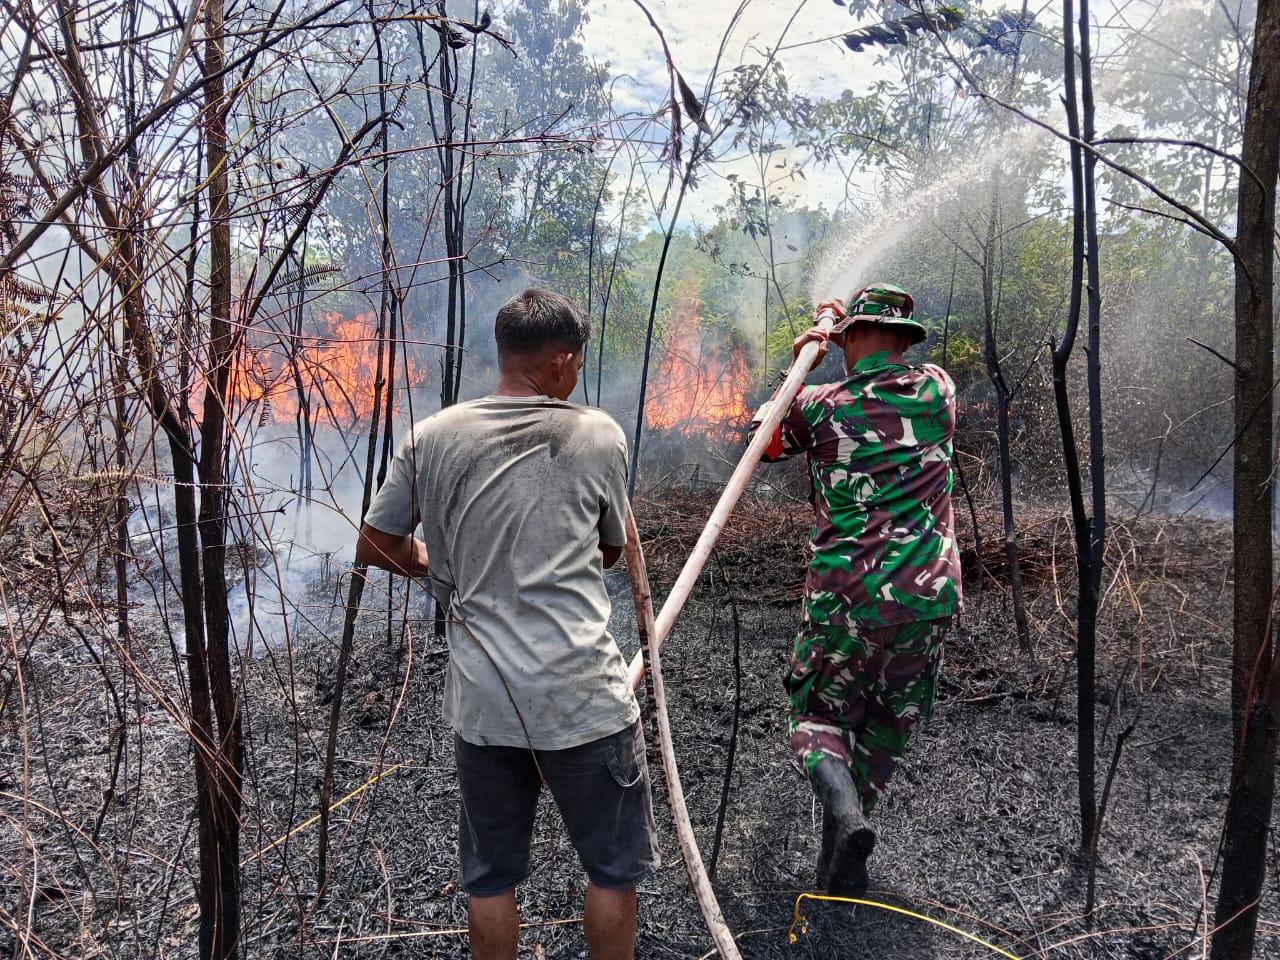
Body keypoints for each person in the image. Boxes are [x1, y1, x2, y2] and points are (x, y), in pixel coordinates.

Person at [354, 288, 659, 960]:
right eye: (575, 365)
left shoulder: (430, 437)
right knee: (614, 871)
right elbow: (609, 552)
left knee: (490, 878)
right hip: (584, 699)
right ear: (559, 361)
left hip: (485, 704)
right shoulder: (596, 434)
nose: (576, 377)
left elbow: (374, 545)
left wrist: (442, 560)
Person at [749, 283, 962, 895]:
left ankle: (843, 816)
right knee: (887, 724)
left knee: (816, 714)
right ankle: (842, 856)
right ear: (903, 341)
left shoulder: (819, 404)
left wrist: (801, 364)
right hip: (927, 595)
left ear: (851, 340)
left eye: (844, 343)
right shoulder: (938, 390)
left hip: (849, 594)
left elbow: (761, 442)